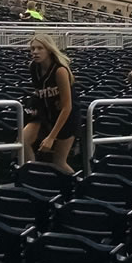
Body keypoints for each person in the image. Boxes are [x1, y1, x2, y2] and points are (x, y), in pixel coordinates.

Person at [22, 34, 76, 172]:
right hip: (45, 112)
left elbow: (67, 107)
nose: (35, 52)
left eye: (40, 48)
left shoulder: (60, 71)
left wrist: (51, 137)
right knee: (23, 140)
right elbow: (40, 94)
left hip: (66, 116)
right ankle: (32, 175)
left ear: (49, 50)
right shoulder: (33, 67)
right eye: (32, 48)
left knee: (59, 162)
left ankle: (80, 188)